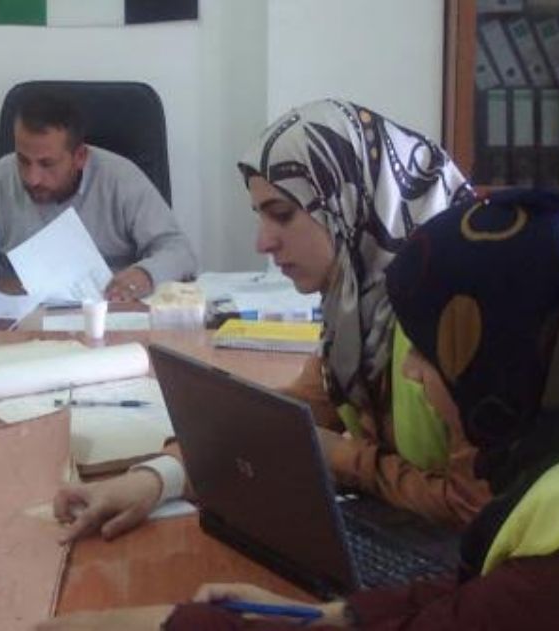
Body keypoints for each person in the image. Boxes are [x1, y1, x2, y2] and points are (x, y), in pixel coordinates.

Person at [41, 189, 559, 630]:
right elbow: (481, 594)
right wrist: (341, 615)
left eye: (432, 353)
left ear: (510, 360)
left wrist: (150, 623)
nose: (414, 373)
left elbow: (517, 595)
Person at [52, 99, 486, 544]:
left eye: (282, 214)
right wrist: (155, 479)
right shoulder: (356, 309)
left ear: (349, 201)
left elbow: (474, 508)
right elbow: (279, 421)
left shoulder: (460, 317)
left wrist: (342, 459)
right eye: (260, 216)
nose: (263, 242)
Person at [0, 91, 197, 301]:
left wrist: (145, 275)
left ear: (80, 156)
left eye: (47, 164)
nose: (32, 178)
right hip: (22, 320)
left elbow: (180, 251)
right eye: (23, 160)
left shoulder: (121, 180)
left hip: (107, 316)